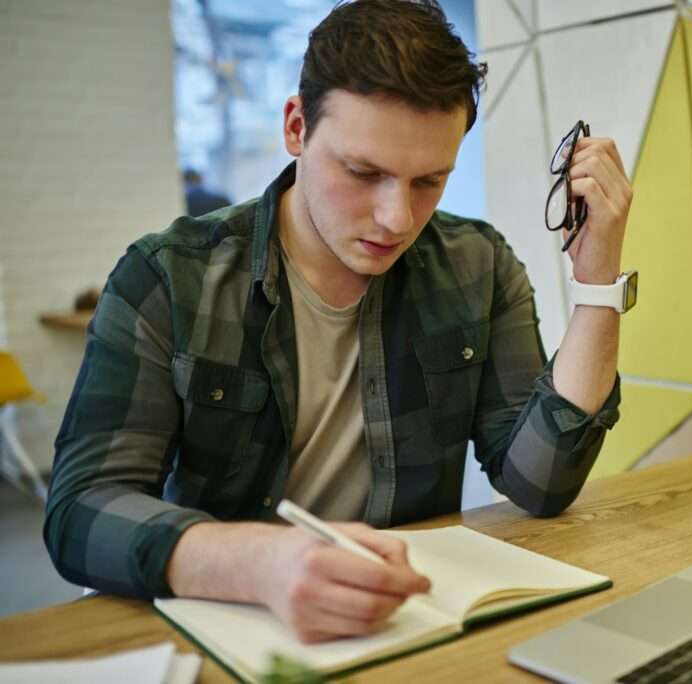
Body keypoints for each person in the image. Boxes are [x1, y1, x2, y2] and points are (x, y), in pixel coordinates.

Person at [45, 0, 634, 644]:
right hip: (228, 625)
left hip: (398, 627)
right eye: (363, 173)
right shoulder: (168, 278)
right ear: (296, 128)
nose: (397, 219)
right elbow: (80, 510)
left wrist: (597, 282)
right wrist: (261, 562)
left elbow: (541, 482)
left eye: (428, 182)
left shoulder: (478, 265)